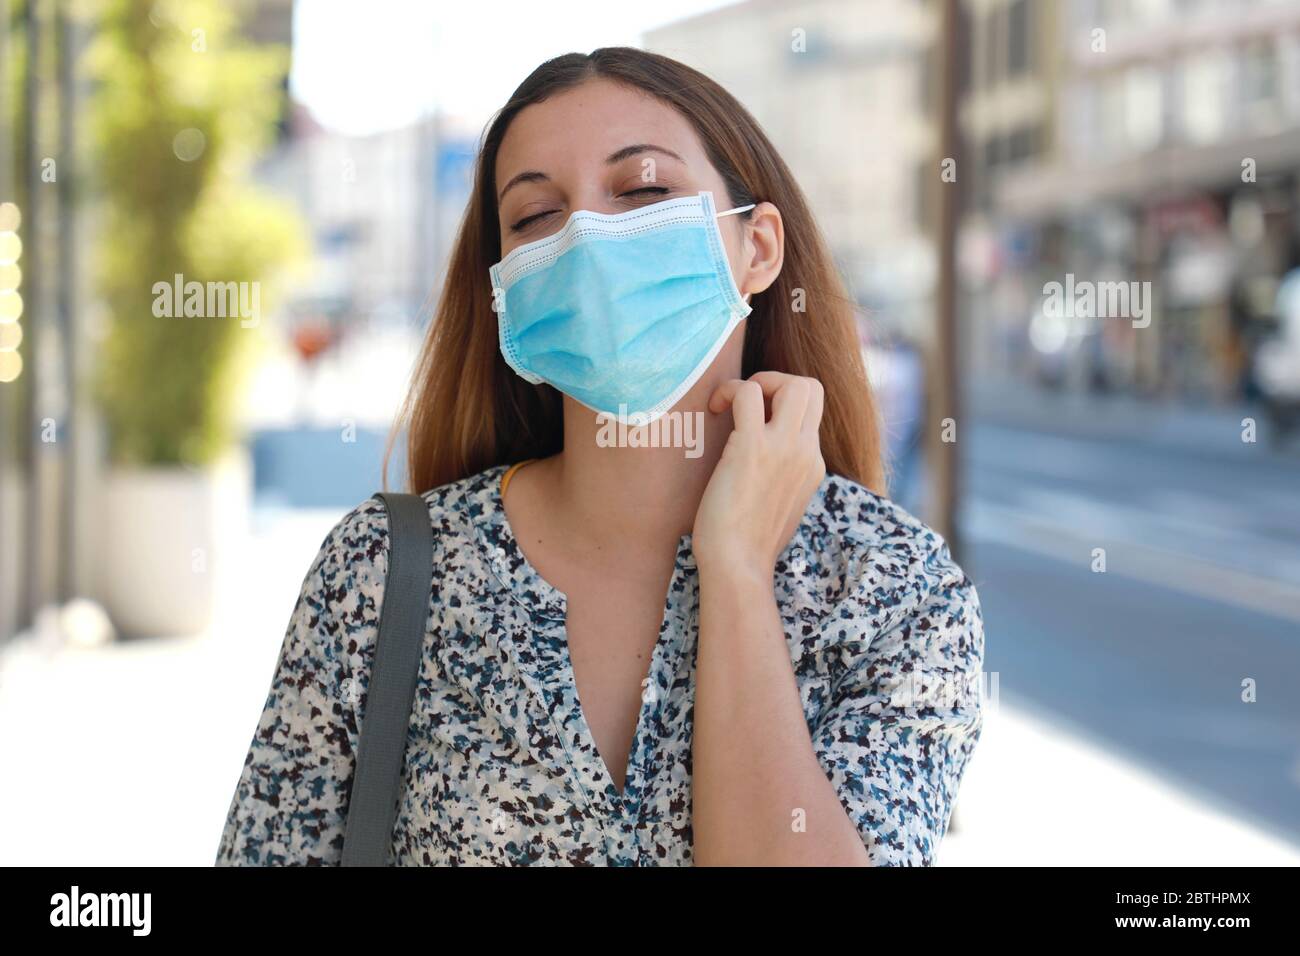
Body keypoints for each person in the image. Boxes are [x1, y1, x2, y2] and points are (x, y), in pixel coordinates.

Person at [215, 47, 984, 867]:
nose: (585, 235)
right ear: (505, 281)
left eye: (643, 190)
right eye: (535, 215)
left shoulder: (894, 589)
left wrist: (735, 567)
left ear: (757, 248)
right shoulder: (383, 571)